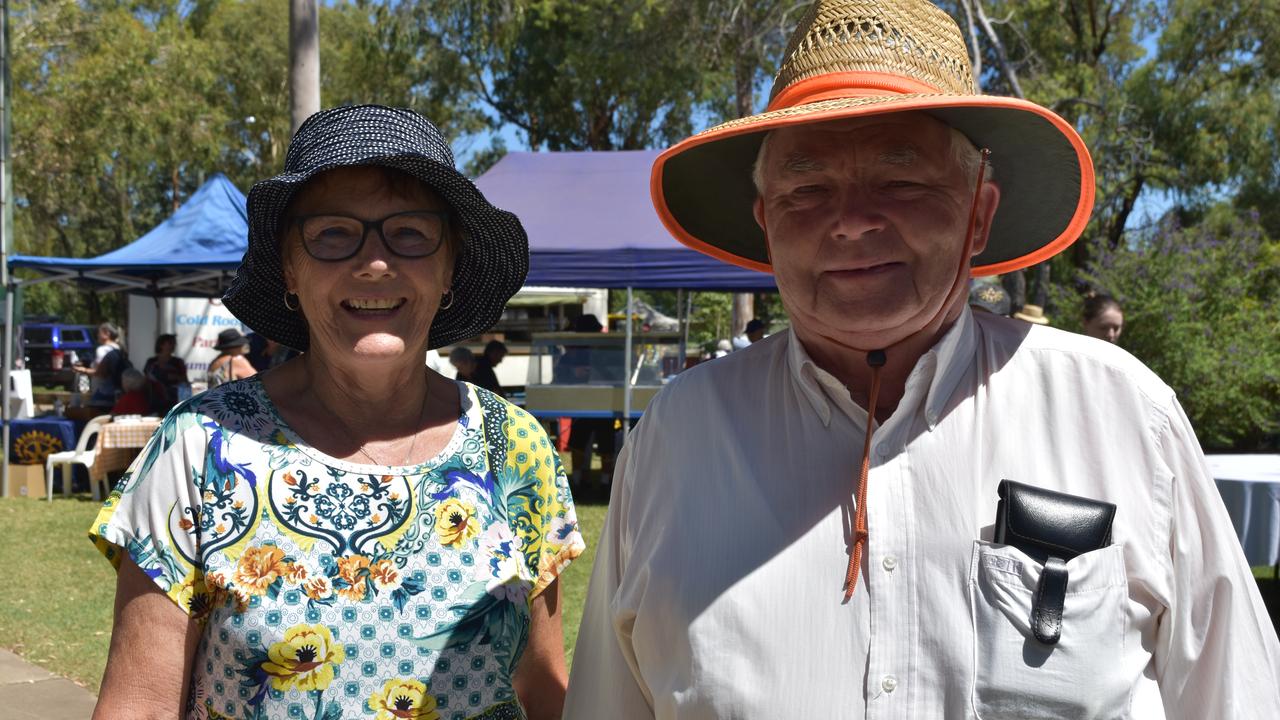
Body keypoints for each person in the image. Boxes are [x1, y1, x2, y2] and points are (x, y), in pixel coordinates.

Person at [565, 1, 1280, 717]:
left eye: (901, 181)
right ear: (767, 224)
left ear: (979, 213)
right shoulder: (678, 437)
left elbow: (1240, 696)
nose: (851, 220)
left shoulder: (1122, 414)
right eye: (808, 189)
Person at [89, 105, 584, 720]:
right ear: (289, 270)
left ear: (450, 265)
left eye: (410, 232)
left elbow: (544, 693)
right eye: (332, 234)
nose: (374, 262)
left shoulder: (515, 448)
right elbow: (139, 706)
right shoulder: (201, 448)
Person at [73, 322, 128, 407]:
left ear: (106, 333)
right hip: (116, 393)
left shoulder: (102, 349)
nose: (97, 335)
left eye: (99, 332)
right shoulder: (119, 348)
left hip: (102, 392)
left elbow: (100, 372)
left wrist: (83, 370)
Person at [143, 333, 189, 410]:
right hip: (153, 399)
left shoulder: (178, 362)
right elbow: (146, 379)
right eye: (170, 343)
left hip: (173, 401)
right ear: (161, 345)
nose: (173, 345)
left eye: (174, 343)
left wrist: (176, 377)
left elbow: (185, 381)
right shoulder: (151, 362)